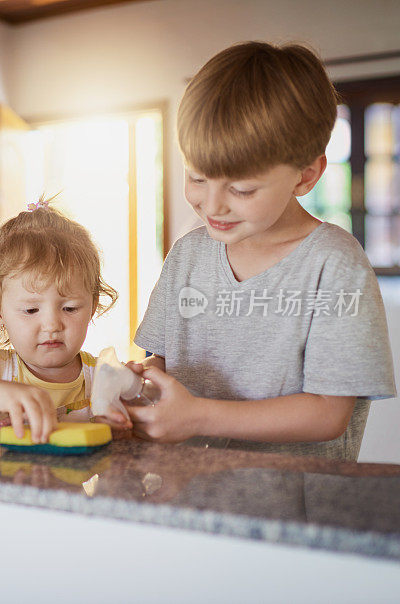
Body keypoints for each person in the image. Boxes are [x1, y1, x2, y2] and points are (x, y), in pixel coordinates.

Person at [117, 41, 395, 460]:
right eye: (197, 177)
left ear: (306, 176)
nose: (212, 206)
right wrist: (136, 389)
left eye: (241, 189)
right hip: (188, 495)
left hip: (294, 512)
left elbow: (327, 415)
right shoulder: (189, 254)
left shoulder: (334, 265)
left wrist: (198, 416)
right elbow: (164, 364)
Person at [0, 199, 119, 443]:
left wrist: (123, 427)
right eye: (30, 310)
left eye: (69, 308)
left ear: (92, 306)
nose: (52, 325)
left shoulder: (101, 377)